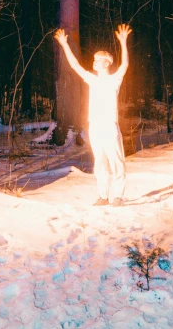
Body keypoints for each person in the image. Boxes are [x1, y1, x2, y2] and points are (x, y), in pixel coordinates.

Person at [54, 24, 132, 206]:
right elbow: (75, 66)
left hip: (110, 125)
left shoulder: (114, 80)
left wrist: (123, 42)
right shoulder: (92, 79)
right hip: (95, 125)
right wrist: (64, 44)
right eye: (94, 60)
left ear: (107, 62)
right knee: (100, 162)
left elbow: (125, 64)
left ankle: (118, 196)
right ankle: (103, 196)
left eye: (97, 60)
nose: (94, 62)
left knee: (116, 160)